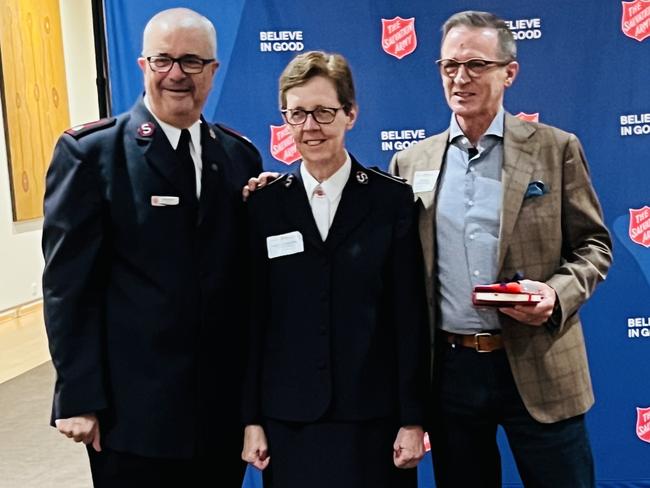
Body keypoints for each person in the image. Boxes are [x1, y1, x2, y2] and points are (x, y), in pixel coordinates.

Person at [389, 10, 612, 488]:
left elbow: (595, 246)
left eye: (476, 65)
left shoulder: (555, 149)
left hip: (540, 361)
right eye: (449, 66)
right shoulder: (411, 162)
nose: (460, 78)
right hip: (451, 371)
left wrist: (554, 295)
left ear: (509, 72)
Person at [42, 8, 262, 487]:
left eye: (191, 62)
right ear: (143, 66)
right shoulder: (92, 153)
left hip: (217, 411)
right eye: (163, 60)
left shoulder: (239, 156)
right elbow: (67, 287)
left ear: (213, 71)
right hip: (131, 415)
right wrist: (77, 396)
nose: (177, 75)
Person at [240, 51, 430, 488]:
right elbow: (253, 321)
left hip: (375, 420)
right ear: (285, 120)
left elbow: (409, 319)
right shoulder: (264, 207)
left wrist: (413, 419)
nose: (311, 127)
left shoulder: (391, 201)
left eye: (324, 112)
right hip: (289, 421)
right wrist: (249, 418)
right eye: (298, 114)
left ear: (350, 114)